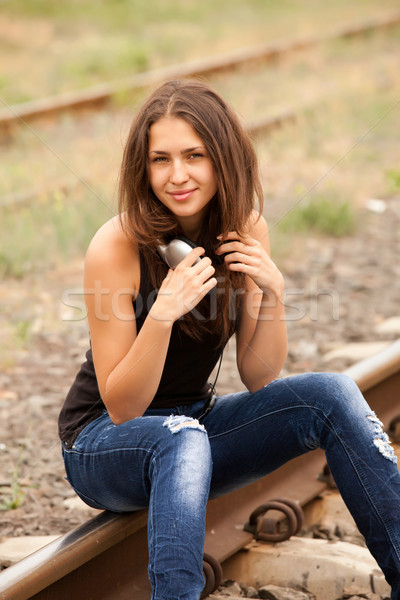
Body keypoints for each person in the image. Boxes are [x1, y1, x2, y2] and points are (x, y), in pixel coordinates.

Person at [58, 79, 400, 599]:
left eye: (195, 155)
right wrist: (162, 314)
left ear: (223, 158)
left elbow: (259, 375)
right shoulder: (117, 245)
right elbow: (123, 405)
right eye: (160, 159)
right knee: (181, 437)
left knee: (330, 395)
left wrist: (273, 291)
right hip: (103, 442)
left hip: (191, 430)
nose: (177, 175)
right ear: (141, 168)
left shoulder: (245, 230)